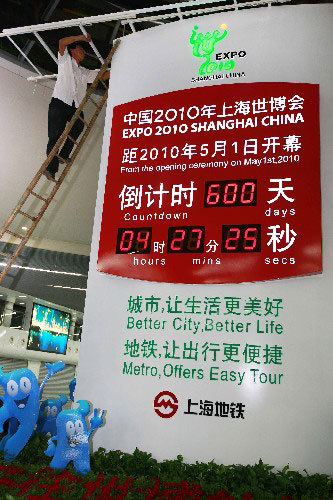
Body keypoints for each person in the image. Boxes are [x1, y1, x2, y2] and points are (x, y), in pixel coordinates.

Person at [44, 33, 109, 180]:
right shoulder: (65, 60)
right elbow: (61, 41)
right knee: (55, 136)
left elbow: (101, 76)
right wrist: (81, 37)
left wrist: (115, 67)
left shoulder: (84, 72)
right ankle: (50, 169)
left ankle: (64, 155)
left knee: (79, 125)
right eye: (81, 49)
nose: (84, 52)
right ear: (73, 51)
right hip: (60, 102)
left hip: (74, 106)